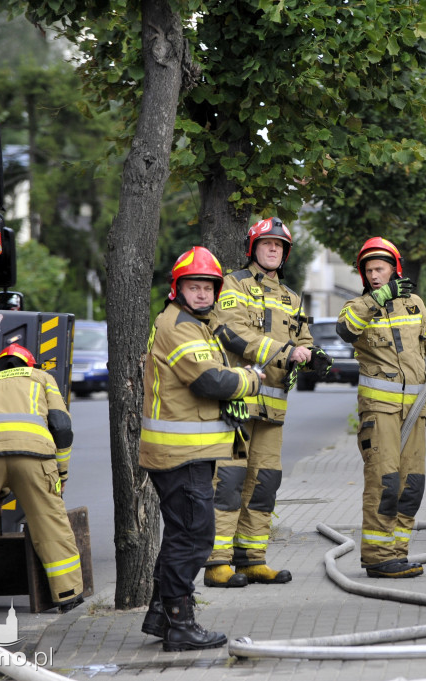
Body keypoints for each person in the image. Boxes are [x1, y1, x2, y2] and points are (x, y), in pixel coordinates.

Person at [138, 246, 262, 652]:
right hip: (180, 454)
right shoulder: (179, 326)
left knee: (180, 534)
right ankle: (180, 624)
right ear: (178, 289)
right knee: (194, 537)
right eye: (194, 287)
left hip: (186, 452)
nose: (203, 294)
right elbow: (210, 382)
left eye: (208, 287)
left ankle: (160, 616)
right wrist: (249, 380)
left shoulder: (197, 324)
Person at [204, 217, 332, 587]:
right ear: (253, 248)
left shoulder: (292, 297)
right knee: (227, 483)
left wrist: (312, 353)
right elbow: (231, 332)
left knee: (264, 485)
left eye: (279, 245)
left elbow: (303, 338)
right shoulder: (233, 284)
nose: (273, 249)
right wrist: (286, 351)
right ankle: (217, 564)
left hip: (273, 411)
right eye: (267, 244)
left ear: (286, 253)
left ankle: (252, 560)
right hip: (237, 405)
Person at [336, 237, 426, 578]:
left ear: (395, 270)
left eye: (381, 269)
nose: (375, 275)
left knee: (411, 485)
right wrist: (378, 299)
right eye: (369, 270)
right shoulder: (357, 306)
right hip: (379, 413)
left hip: (415, 410)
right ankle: (377, 557)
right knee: (385, 482)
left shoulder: (415, 304)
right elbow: (345, 330)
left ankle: (397, 553)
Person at [0, 343, 83, 614]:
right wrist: (61, 472)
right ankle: (67, 594)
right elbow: (62, 426)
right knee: (49, 521)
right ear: (28, 364)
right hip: (33, 457)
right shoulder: (41, 378)